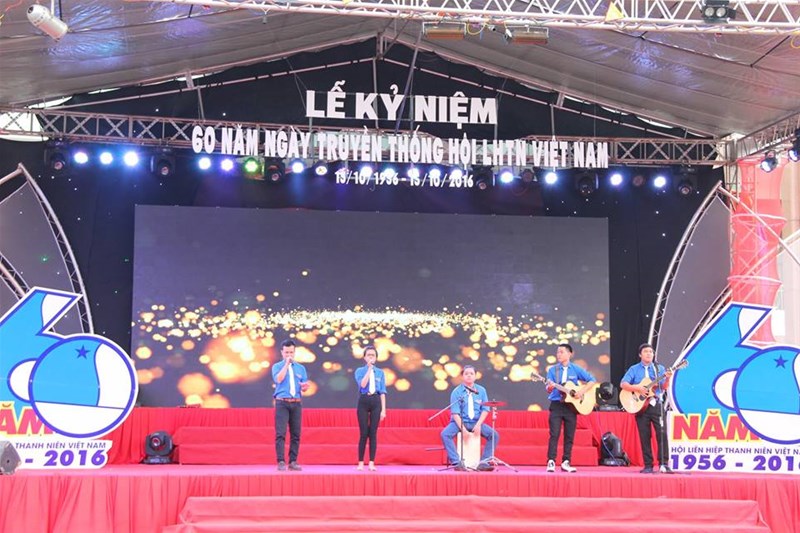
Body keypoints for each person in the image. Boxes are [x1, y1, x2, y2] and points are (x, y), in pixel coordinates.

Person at [620, 343, 672, 474]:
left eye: (651, 352)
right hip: (641, 407)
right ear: (640, 355)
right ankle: (648, 465)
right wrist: (638, 388)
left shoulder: (659, 368)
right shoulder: (634, 369)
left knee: (662, 434)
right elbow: (623, 384)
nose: (649, 353)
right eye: (646, 351)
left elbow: (663, 387)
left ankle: (664, 464)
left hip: (656, 404)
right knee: (645, 436)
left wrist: (667, 379)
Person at [545, 343, 596, 473]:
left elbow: (592, 380)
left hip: (571, 407)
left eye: (561, 352)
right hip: (556, 404)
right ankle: (551, 461)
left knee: (569, 435)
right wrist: (550, 387)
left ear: (569, 354)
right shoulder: (553, 370)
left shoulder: (576, 369)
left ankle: (566, 462)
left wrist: (581, 392)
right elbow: (548, 389)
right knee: (554, 434)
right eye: (557, 352)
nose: (558, 354)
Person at [440, 365, 499, 471]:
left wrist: (478, 425)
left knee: (494, 435)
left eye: (471, 373)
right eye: (466, 373)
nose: (469, 376)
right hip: (459, 422)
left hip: (476, 422)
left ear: (475, 376)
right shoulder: (456, 392)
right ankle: (456, 462)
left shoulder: (481, 390)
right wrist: (463, 429)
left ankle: (484, 462)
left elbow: (485, 409)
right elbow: (455, 413)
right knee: (445, 434)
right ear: (462, 376)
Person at [272, 339, 309, 471]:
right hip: (282, 402)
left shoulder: (301, 368)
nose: (289, 355)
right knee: (280, 433)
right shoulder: (277, 366)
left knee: (296, 434)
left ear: (294, 352)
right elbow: (278, 379)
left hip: (296, 403)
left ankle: (293, 461)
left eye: (291, 352)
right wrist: (286, 365)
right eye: (286, 352)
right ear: (282, 352)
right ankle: (281, 461)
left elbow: (304, 386)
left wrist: (305, 387)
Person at [354, 345, 387, 471]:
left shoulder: (380, 372)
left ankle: (372, 463)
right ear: (364, 357)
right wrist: (369, 369)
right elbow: (362, 384)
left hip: (376, 401)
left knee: (373, 433)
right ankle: (361, 462)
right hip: (363, 400)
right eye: (368, 355)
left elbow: (382, 392)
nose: (371, 357)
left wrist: (383, 410)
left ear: (376, 358)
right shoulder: (359, 371)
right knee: (363, 433)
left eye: (373, 355)